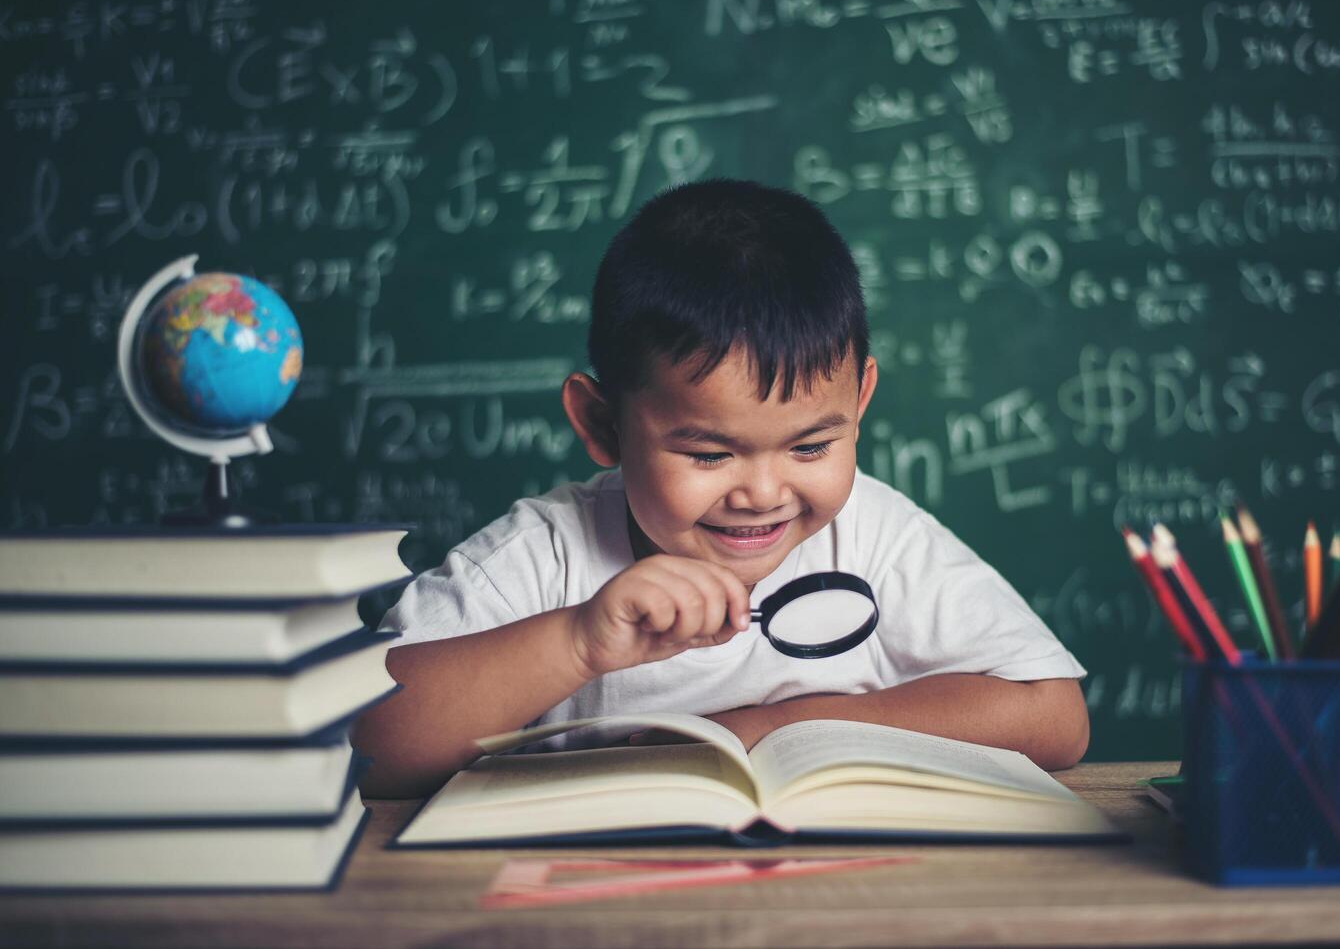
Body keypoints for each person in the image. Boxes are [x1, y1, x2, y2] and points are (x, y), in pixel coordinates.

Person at [353, 179, 1088, 798]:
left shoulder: (877, 535)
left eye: (810, 446)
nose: (763, 492)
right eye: (708, 454)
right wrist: (577, 642)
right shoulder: (547, 552)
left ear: (860, 402)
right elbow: (366, 744)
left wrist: (783, 726)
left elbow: (1053, 717)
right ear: (602, 423)